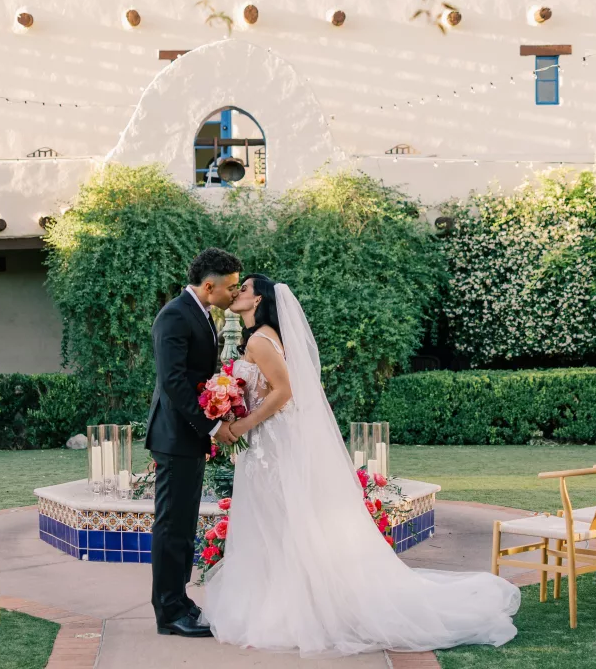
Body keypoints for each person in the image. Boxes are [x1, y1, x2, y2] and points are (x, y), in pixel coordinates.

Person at [202, 274, 521, 656]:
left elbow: (286, 392)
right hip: (268, 444)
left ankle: (297, 610)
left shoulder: (259, 339)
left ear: (258, 301)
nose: (237, 293)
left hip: (270, 444)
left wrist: (240, 424)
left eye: (245, 289)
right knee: (277, 522)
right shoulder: (265, 336)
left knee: (279, 520)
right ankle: (287, 600)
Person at [145, 247, 242, 639]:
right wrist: (211, 426)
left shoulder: (201, 314)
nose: (234, 293)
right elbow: (173, 382)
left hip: (188, 436)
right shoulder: (173, 316)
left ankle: (179, 600)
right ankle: (168, 612)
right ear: (208, 286)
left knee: (184, 525)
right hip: (174, 436)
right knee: (171, 526)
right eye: (231, 287)